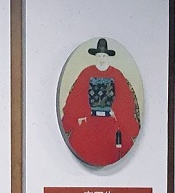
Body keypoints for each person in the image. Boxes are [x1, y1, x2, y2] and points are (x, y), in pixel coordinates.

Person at [60, 38, 141, 166]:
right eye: (99, 56)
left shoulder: (116, 74)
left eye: (104, 56)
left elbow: (125, 101)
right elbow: (76, 98)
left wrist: (116, 113)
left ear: (108, 57)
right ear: (96, 56)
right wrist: (82, 114)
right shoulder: (87, 73)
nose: (101, 59)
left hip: (111, 122)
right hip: (90, 120)